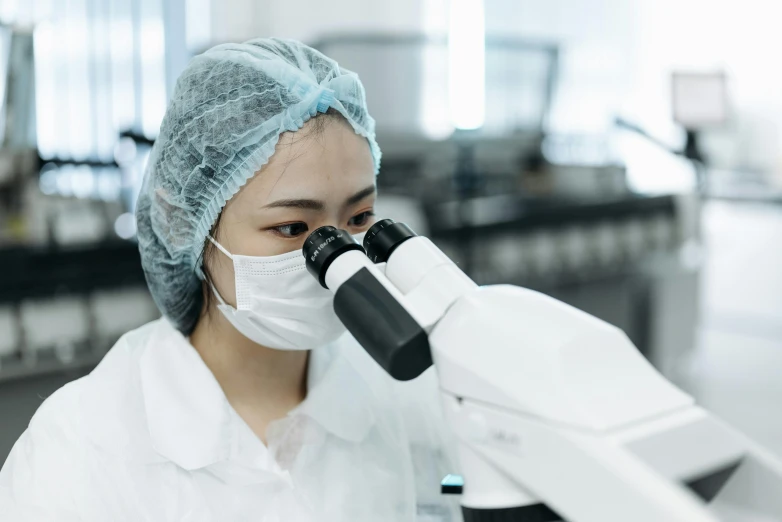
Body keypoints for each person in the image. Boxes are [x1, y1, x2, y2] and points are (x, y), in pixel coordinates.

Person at [0, 38, 459, 521]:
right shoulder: (80, 450)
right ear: (184, 223)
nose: (338, 256)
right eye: (292, 228)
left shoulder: (409, 397)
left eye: (360, 216)